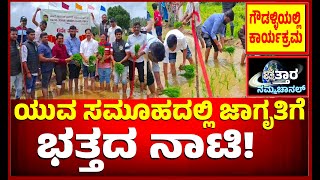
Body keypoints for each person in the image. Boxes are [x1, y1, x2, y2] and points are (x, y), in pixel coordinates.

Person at [137, 30, 165, 97]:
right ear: (149, 53)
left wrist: (159, 84)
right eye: (154, 60)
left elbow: (155, 66)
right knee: (146, 71)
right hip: (138, 52)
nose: (156, 62)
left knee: (149, 73)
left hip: (147, 51)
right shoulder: (142, 46)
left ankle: (153, 93)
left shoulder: (159, 46)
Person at [127, 22, 147, 98]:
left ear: (140, 28)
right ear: (133, 28)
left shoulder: (144, 36)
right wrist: (131, 54)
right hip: (131, 60)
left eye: (137, 27)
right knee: (131, 76)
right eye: (135, 27)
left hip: (140, 59)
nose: (136, 29)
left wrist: (140, 54)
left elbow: (146, 47)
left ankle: (141, 94)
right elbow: (127, 47)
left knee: (141, 76)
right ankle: (131, 92)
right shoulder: (129, 37)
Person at [38, 32, 58, 98]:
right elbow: (40, 58)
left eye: (47, 37)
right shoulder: (41, 47)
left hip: (49, 68)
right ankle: (45, 99)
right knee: (44, 84)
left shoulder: (47, 45)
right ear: (41, 38)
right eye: (45, 37)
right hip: (45, 69)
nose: (46, 38)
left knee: (47, 83)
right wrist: (50, 59)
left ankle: (47, 98)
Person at [112, 28, 130, 98]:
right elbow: (111, 54)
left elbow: (128, 55)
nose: (118, 35)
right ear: (115, 35)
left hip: (124, 65)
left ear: (121, 35)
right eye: (117, 34)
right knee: (115, 81)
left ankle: (124, 95)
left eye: (119, 34)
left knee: (124, 81)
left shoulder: (126, 43)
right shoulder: (112, 44)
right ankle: (115, 96)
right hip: (116, 65)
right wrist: (114, 61)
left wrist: (120, 62)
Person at [21, 28, 38, 99]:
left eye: (34, 34)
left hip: (35, 70)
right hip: (29, 72)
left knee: (33, 88)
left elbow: (36, 57)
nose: (33, 36)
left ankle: (33, 103)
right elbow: (24, 60)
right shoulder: (24, 45)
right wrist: (27, 72)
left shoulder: (35, 44)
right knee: (28, 89)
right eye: (31, 35)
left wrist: (38, 69)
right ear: (27, 35)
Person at [65, 25, 81, 92]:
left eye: (74, 31)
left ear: (76, 31)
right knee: (71, 77)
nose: (73, 32)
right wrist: (74, 59)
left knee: (77, 76)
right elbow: (68, 51)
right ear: (69, 31)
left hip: (78, 61)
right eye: (71, 31)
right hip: (71, 61)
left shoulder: (78, 40)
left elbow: (80, 50)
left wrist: (79, 60)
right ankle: (70, 91)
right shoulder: (67, 40)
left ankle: (77, 90)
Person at [10, 27, 23, 99]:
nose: (15, 36)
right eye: (13, 34)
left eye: (16, 34)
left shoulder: (17, 43)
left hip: (18, 71)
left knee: (19, 89)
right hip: (10, 73)